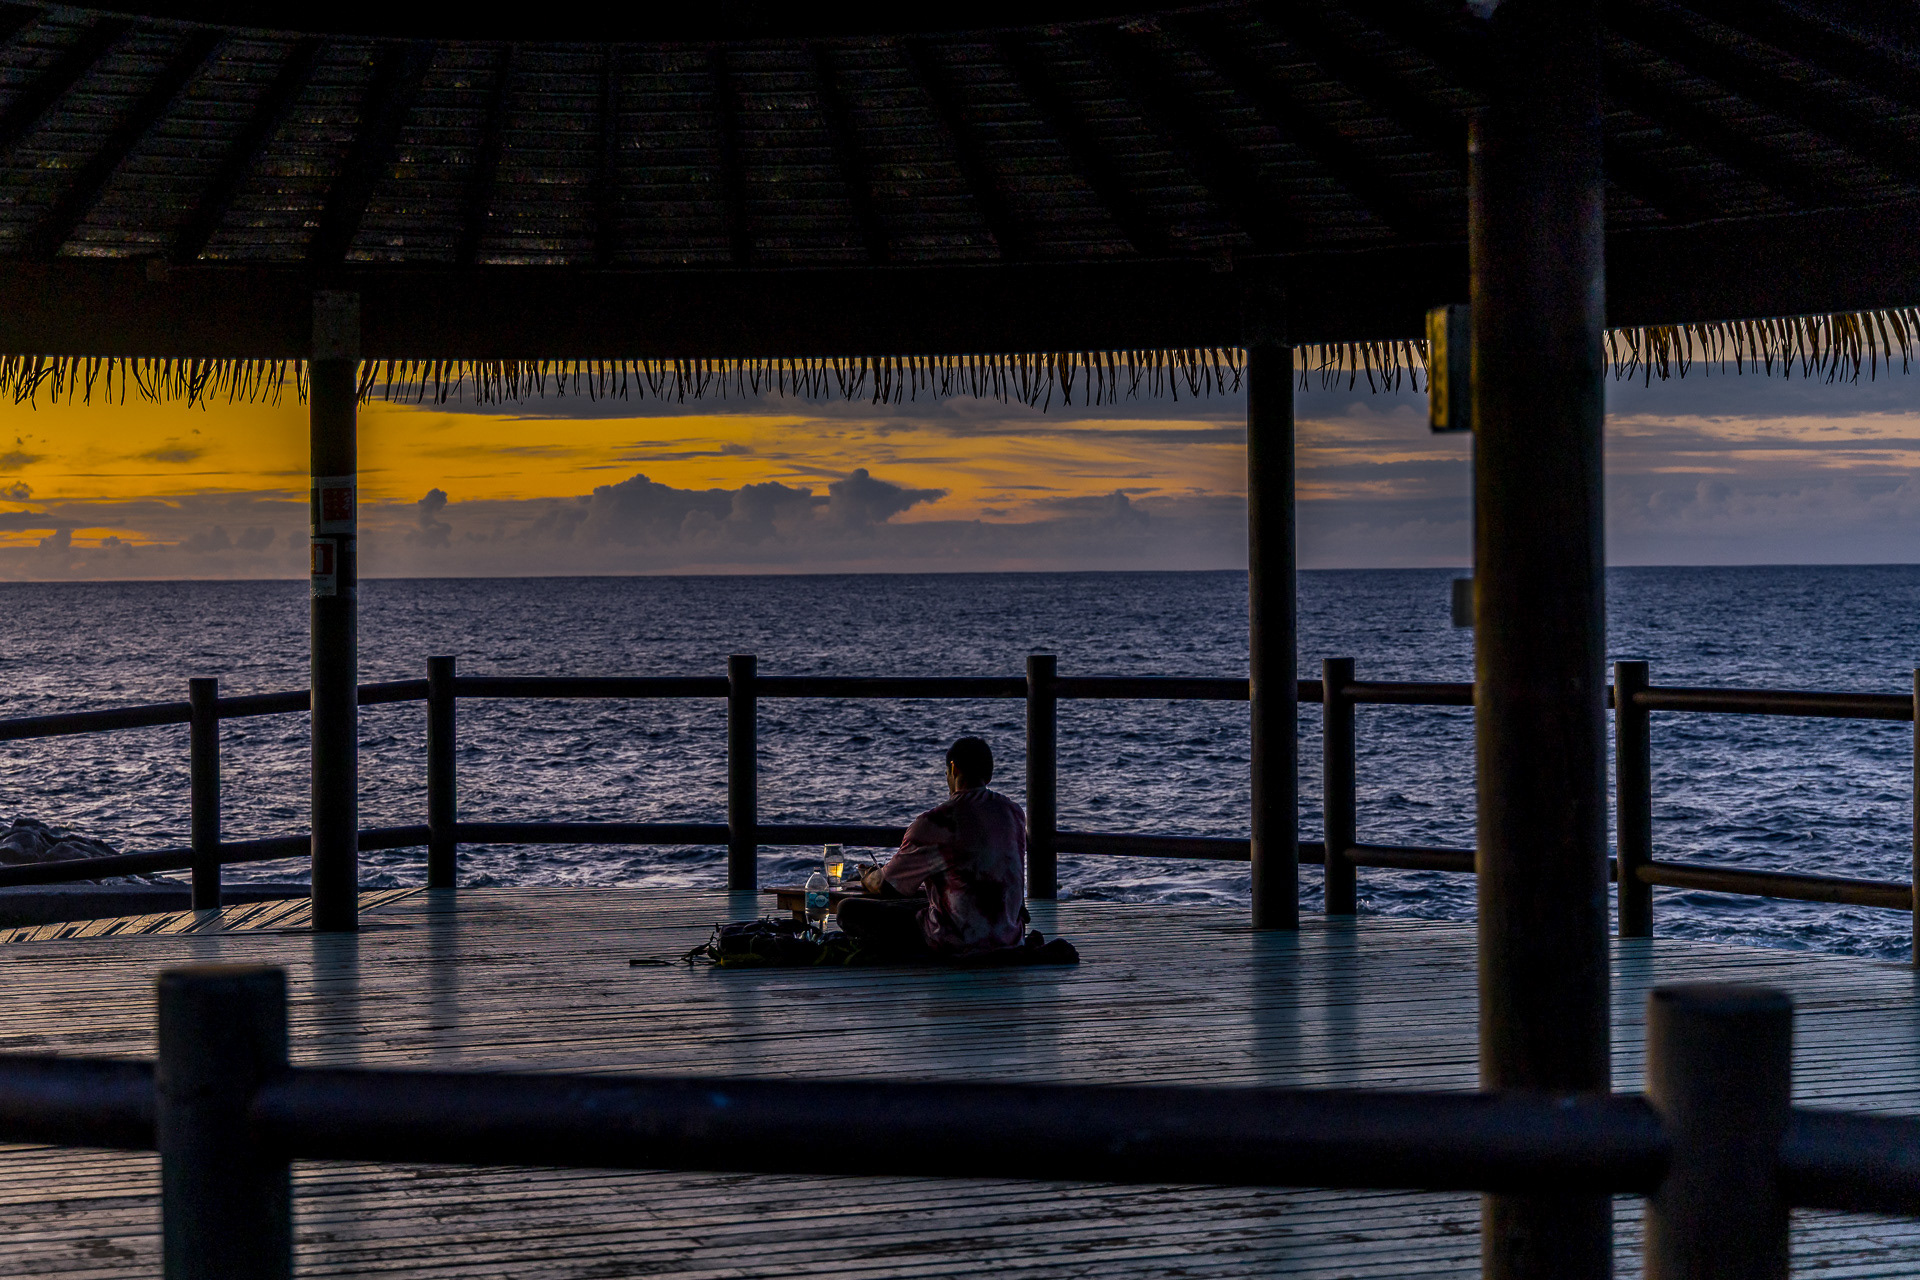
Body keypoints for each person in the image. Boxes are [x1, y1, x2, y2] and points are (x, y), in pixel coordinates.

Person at [836, 736, 1027, 959]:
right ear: (989, 774)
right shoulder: (1013, 813)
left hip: (955, 941)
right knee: (922, 900)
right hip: (1009, 938)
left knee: (847, 909)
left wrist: (868, 877)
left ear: (953, 768)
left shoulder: (936, 823)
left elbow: (887, 886)